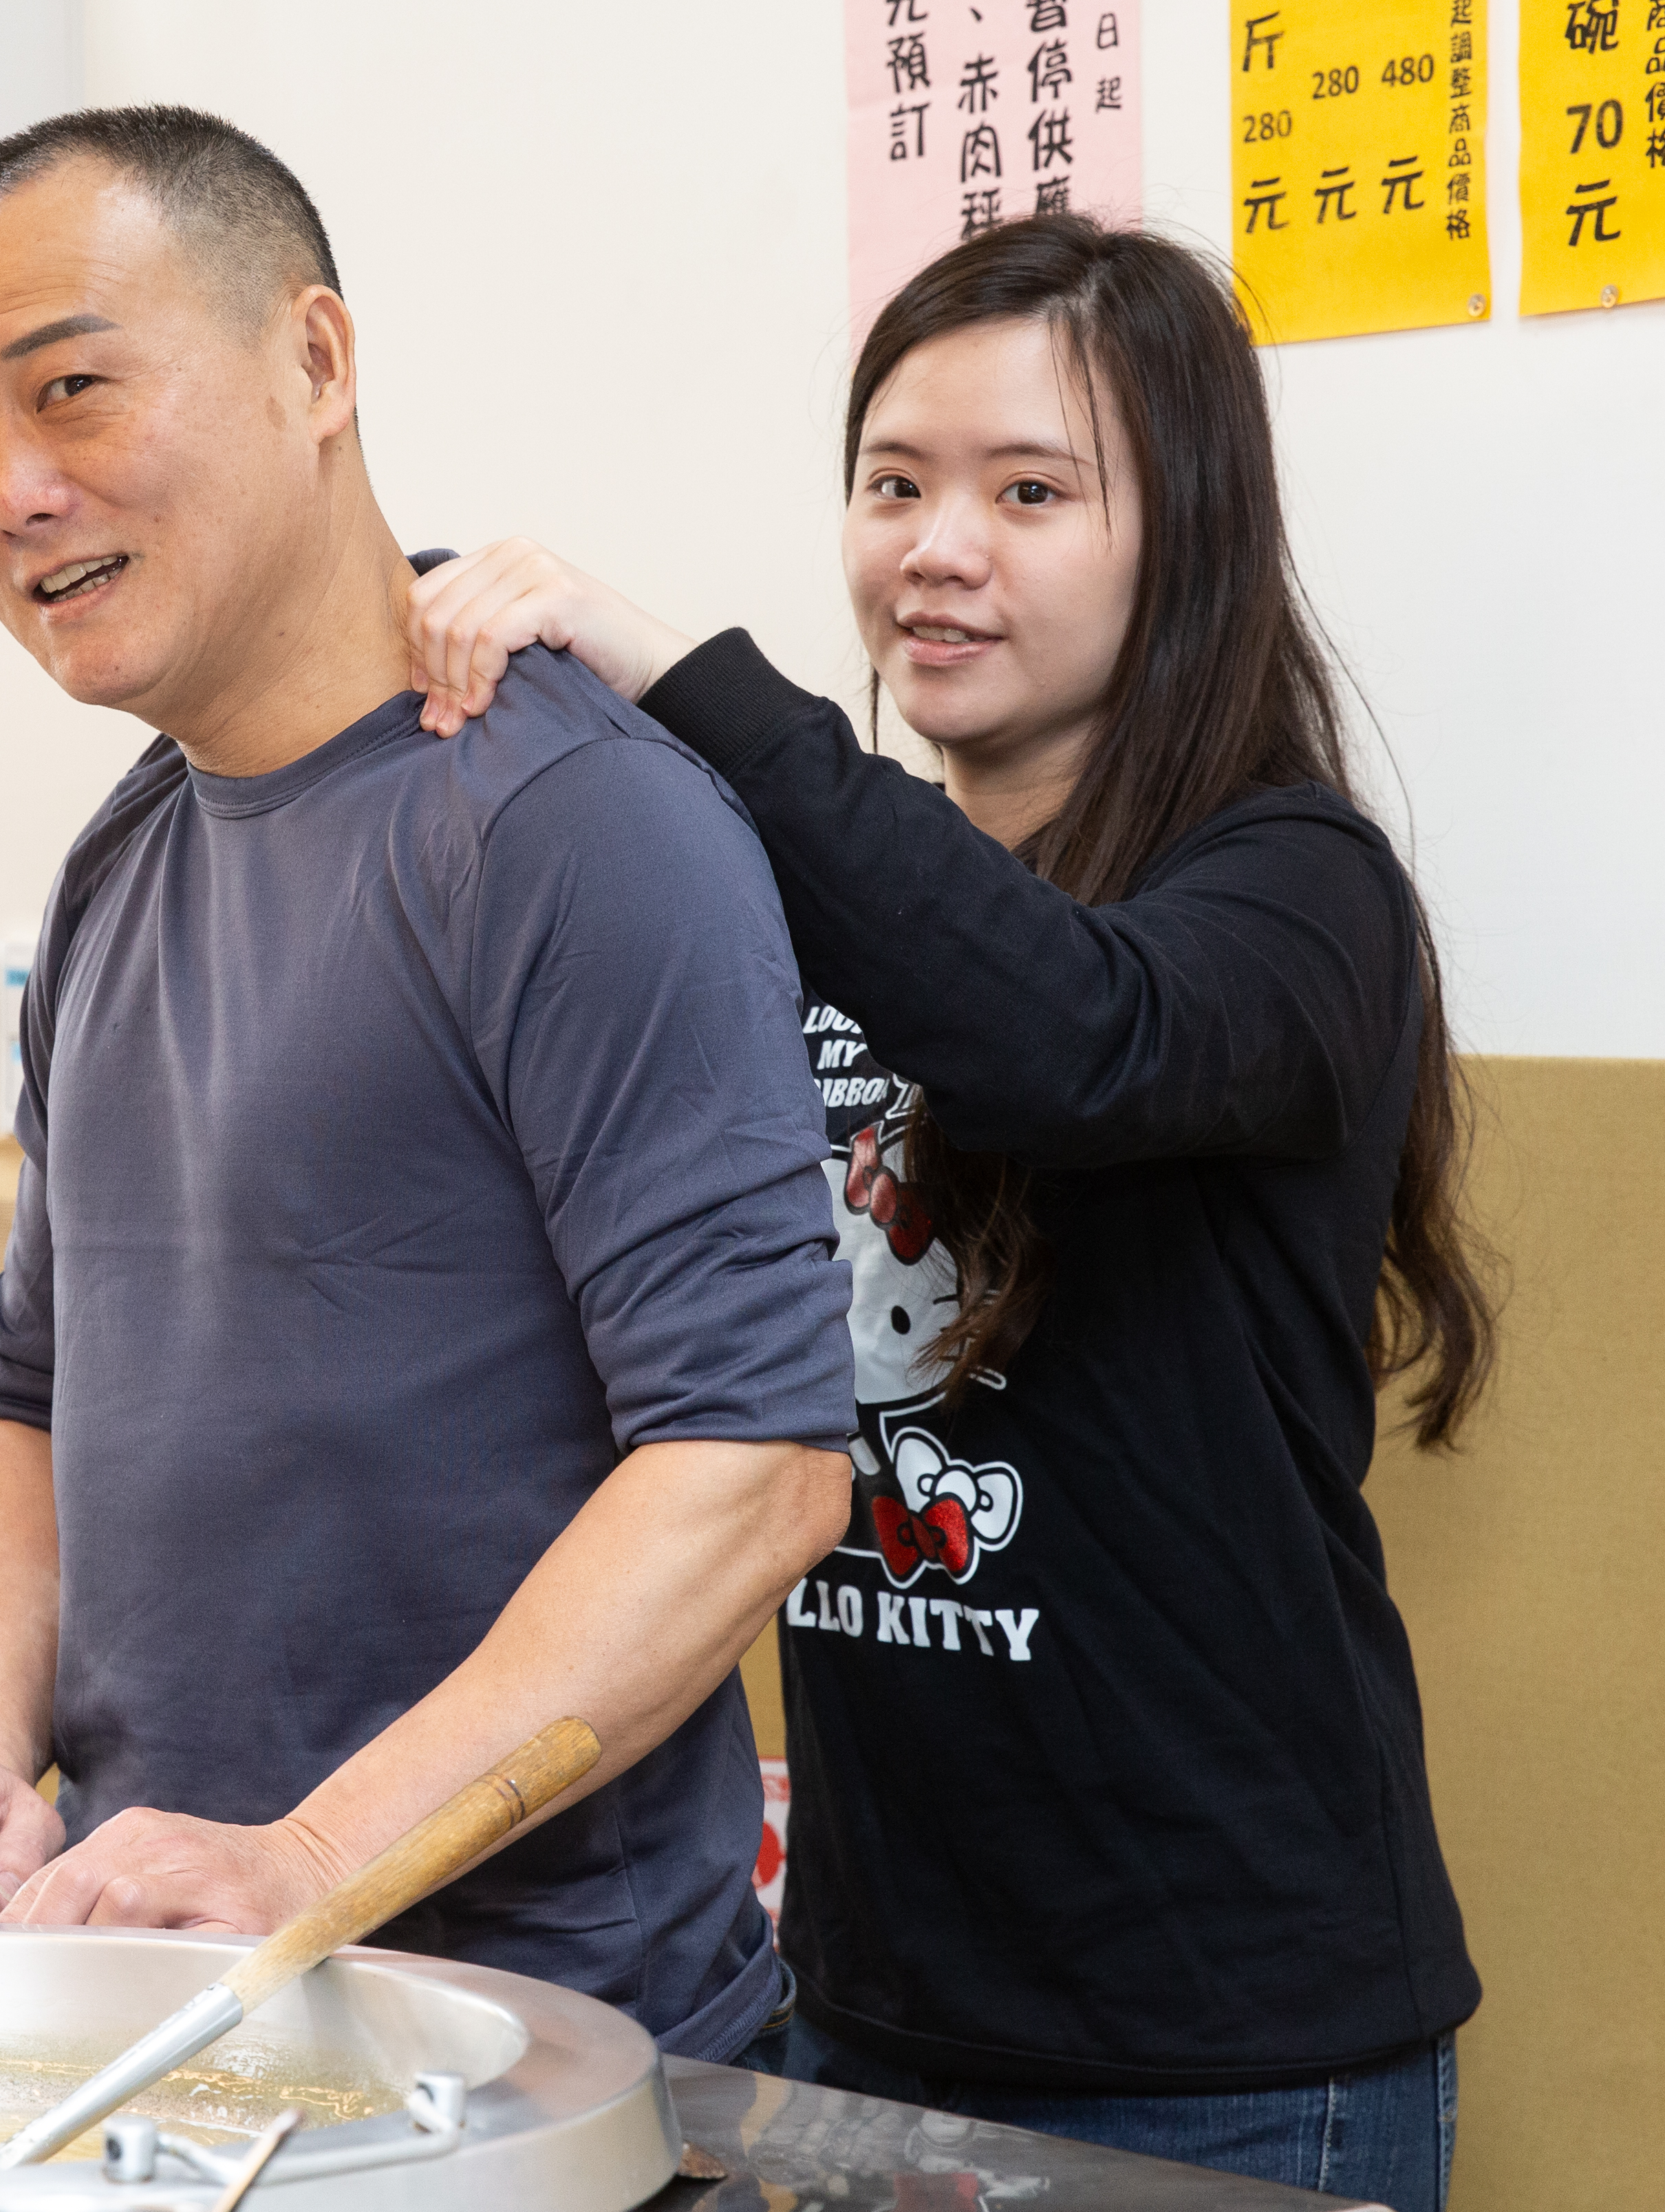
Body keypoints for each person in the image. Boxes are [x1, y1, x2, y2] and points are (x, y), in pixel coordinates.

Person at [400, 215, 1493, 2210]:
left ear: (1189, 536)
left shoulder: (1300, 890)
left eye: (1030, 491)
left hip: (1230, 2052)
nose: (937, 548)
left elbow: (1065, 1042)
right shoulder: (793, 896)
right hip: (864, 2009)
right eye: (893, 483)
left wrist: (683, 684)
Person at [0, 105, 855, 2061]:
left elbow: (754, 1470)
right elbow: (28, 1397)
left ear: (317, 362)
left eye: (71, 394)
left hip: (537, 2055)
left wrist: (314, 1856)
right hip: (166, 2031)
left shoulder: (569, 826)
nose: (12, 494)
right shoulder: (122, 863)